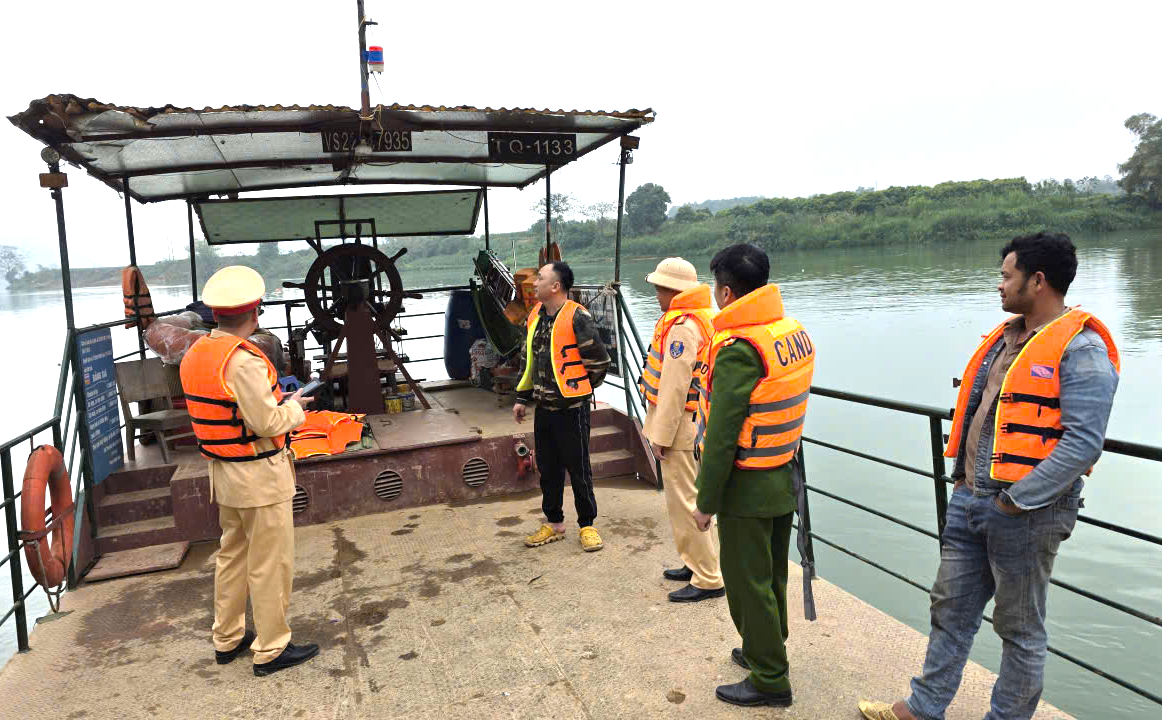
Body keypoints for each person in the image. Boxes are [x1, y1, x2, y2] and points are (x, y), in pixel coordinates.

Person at [859, 232, 1120, 720]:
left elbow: (1084, 442)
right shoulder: (1008, 339)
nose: (999, 285)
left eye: (1006, 275)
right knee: (949, 611)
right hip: (971, 498)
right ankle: (923, 708)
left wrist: (1016, 500)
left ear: (1037, 281)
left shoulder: (1081, 349)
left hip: (1025, 512)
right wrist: (966, 486)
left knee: (1019, 631)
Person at [179, 265, 320, 677]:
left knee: (233, 556)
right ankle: (272, 648)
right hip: (258, 475)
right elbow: (268, 423)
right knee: (270, 562)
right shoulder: (243, 362)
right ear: (255, 312)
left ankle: (226, 638)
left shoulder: (198, 353)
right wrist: (296, 408)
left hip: (223, 473)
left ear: (215, 314)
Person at [692, 243, 815, 709]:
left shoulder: (738, 349)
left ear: (726, 292)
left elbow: (722, 437)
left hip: (745, 483)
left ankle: (770, 679)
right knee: (772, 576)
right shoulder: (789, 332)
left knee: (748, 583)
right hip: (783, 473)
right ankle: (767, 648)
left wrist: (705, 502)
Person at [639, 257, 725, 603]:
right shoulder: (705, 319)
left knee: (687, 502)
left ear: (671, 291)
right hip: (697, 422)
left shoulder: (682, 328)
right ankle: (694, 562)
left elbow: (674, 389)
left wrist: (660, 437)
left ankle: (708, 577)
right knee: (687, 501)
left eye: (659, 288)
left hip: (681, 429)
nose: (657, 295)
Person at [513, 261, 610, 552]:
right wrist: (522, 398)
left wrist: (579, 389)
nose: (534, 283)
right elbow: (528, 361)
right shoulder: (535, 317)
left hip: (572, 409)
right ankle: (554, 523)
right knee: (548, 468)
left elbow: (600, 362)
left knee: (579, 469)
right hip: (544, 409)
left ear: (555, 286)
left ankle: (588, 525)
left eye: (540, 278)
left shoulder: (577, 317)